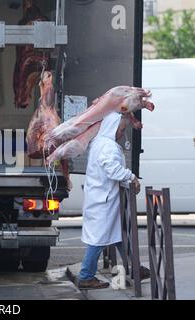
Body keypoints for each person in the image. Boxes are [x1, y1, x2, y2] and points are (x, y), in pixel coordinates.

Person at [78, 112, 143, 289]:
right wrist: (132, 177)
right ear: (112, 128)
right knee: (98, 240)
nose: (122, 133)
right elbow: (113, 170)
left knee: (117, 235)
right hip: (104, 201)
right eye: (121, 129)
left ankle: (134, 267)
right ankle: (85, 276)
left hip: (101, 198)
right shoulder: (107, 146)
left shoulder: (99, 143)